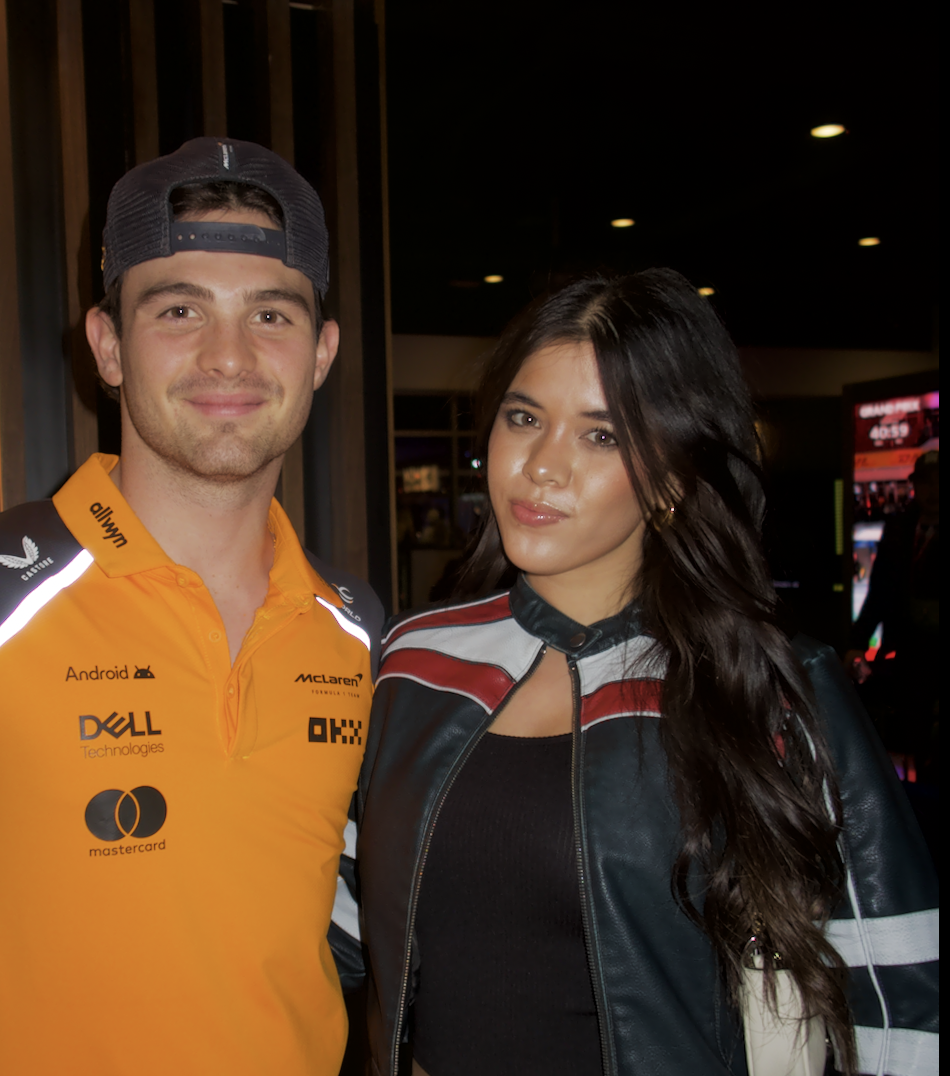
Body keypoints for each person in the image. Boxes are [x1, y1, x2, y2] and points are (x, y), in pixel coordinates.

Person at [0, 137, 382, 1076]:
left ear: (321, 353)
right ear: (107, 345)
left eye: (271, 314)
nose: (228, 355)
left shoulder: (357, 627)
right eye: (178, 309)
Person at [357, 270, 938, 1076]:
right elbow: (347, 930)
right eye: (524, 418)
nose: (541, 468)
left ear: (669, 479)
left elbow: (899, 986)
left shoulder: (765, 684)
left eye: (602, 436)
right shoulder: (416, 661)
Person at [847, 449, 939, 781]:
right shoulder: (900, 528)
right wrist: (857, 642)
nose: (932, 490)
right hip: (908, 650)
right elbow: (881, 592)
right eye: (926, 482)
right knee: (909, 731)